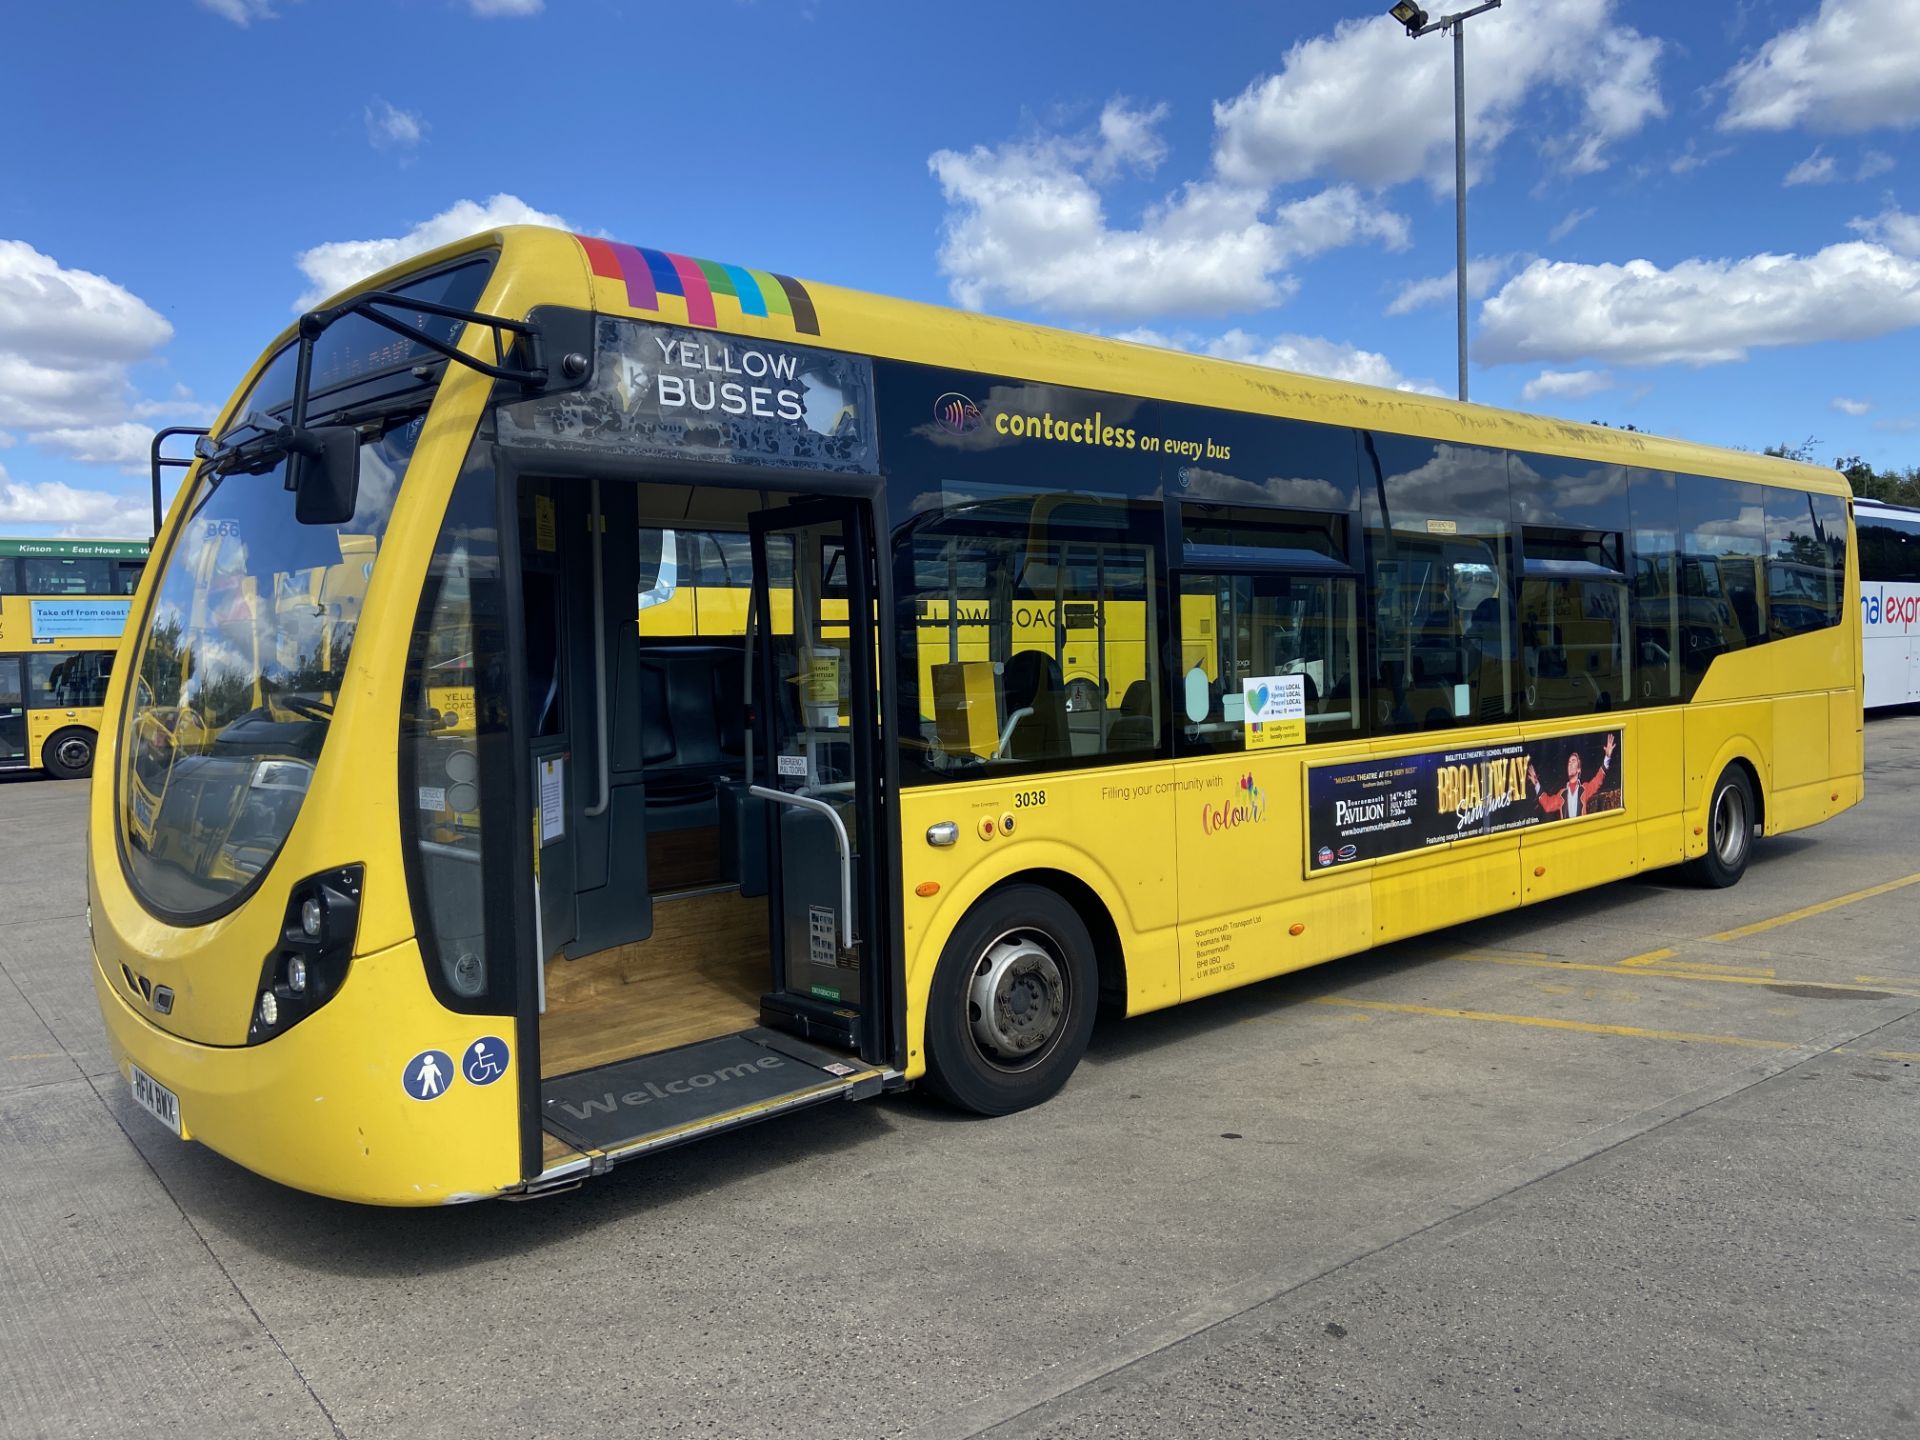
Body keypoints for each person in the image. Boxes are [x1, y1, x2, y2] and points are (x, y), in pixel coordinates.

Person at [1530, 732, 1616, 818]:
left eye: (1573, 761)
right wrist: (1536, 783)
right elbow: (1548, 805)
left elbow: (1598, 780)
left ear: (1579, 769)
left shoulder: (1585, 789)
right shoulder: (1562, 794)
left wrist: (1607, 757)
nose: (1570, 764)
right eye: (1569, 762)